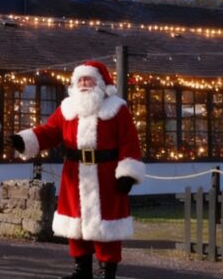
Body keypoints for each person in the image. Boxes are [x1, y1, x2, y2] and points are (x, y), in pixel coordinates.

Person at [10, 61, 144, 279]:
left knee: (106, 226)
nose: (83, 83)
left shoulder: (117, 108)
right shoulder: (67, 108)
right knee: (76, 225)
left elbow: (130, 142)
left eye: (88, 78)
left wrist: (128, 173)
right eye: (80, 79)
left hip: (106, 177)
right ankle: (82, 270)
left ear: (100, 82)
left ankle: (106, 273)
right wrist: (24, 140)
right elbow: (49, 132)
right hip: (75, 175)